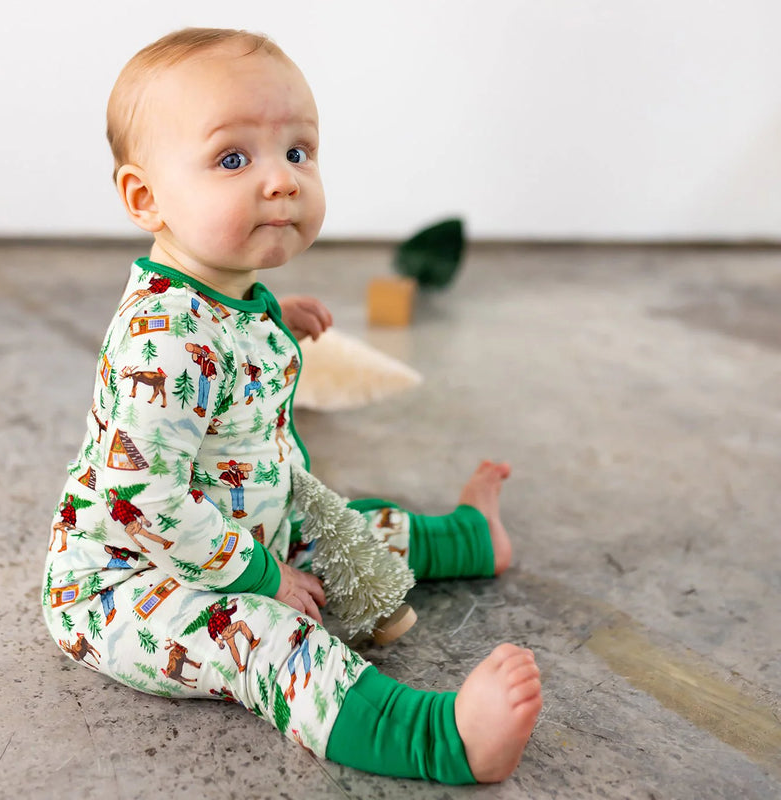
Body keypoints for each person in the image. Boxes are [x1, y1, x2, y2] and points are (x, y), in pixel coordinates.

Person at [41, 27, 541, 784]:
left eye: (298, 152)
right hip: (130, 579)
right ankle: (439, 737)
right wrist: (260, 577)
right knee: (262, 637)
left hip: (246, 520)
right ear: (147, 197)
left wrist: (275, 311)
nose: (281, 181)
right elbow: (140, 498)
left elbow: (225, 316)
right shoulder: (160, 342)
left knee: (348, 530)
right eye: (234, 159)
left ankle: (473, 538)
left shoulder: (221, 290)